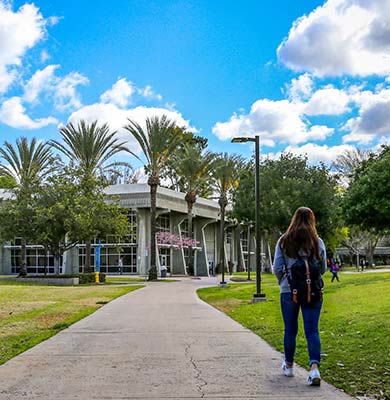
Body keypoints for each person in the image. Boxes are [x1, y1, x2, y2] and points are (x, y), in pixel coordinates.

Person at [273, 207, 326, 386]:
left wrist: (285, 283)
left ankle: (288, 366)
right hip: (313, 292)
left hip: (289, 292)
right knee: (312, 330)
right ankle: (314, 369)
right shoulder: (317, 241)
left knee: (290, 329)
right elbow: (323, 269)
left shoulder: (284, 241)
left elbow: (277, 267)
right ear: (312, 220)